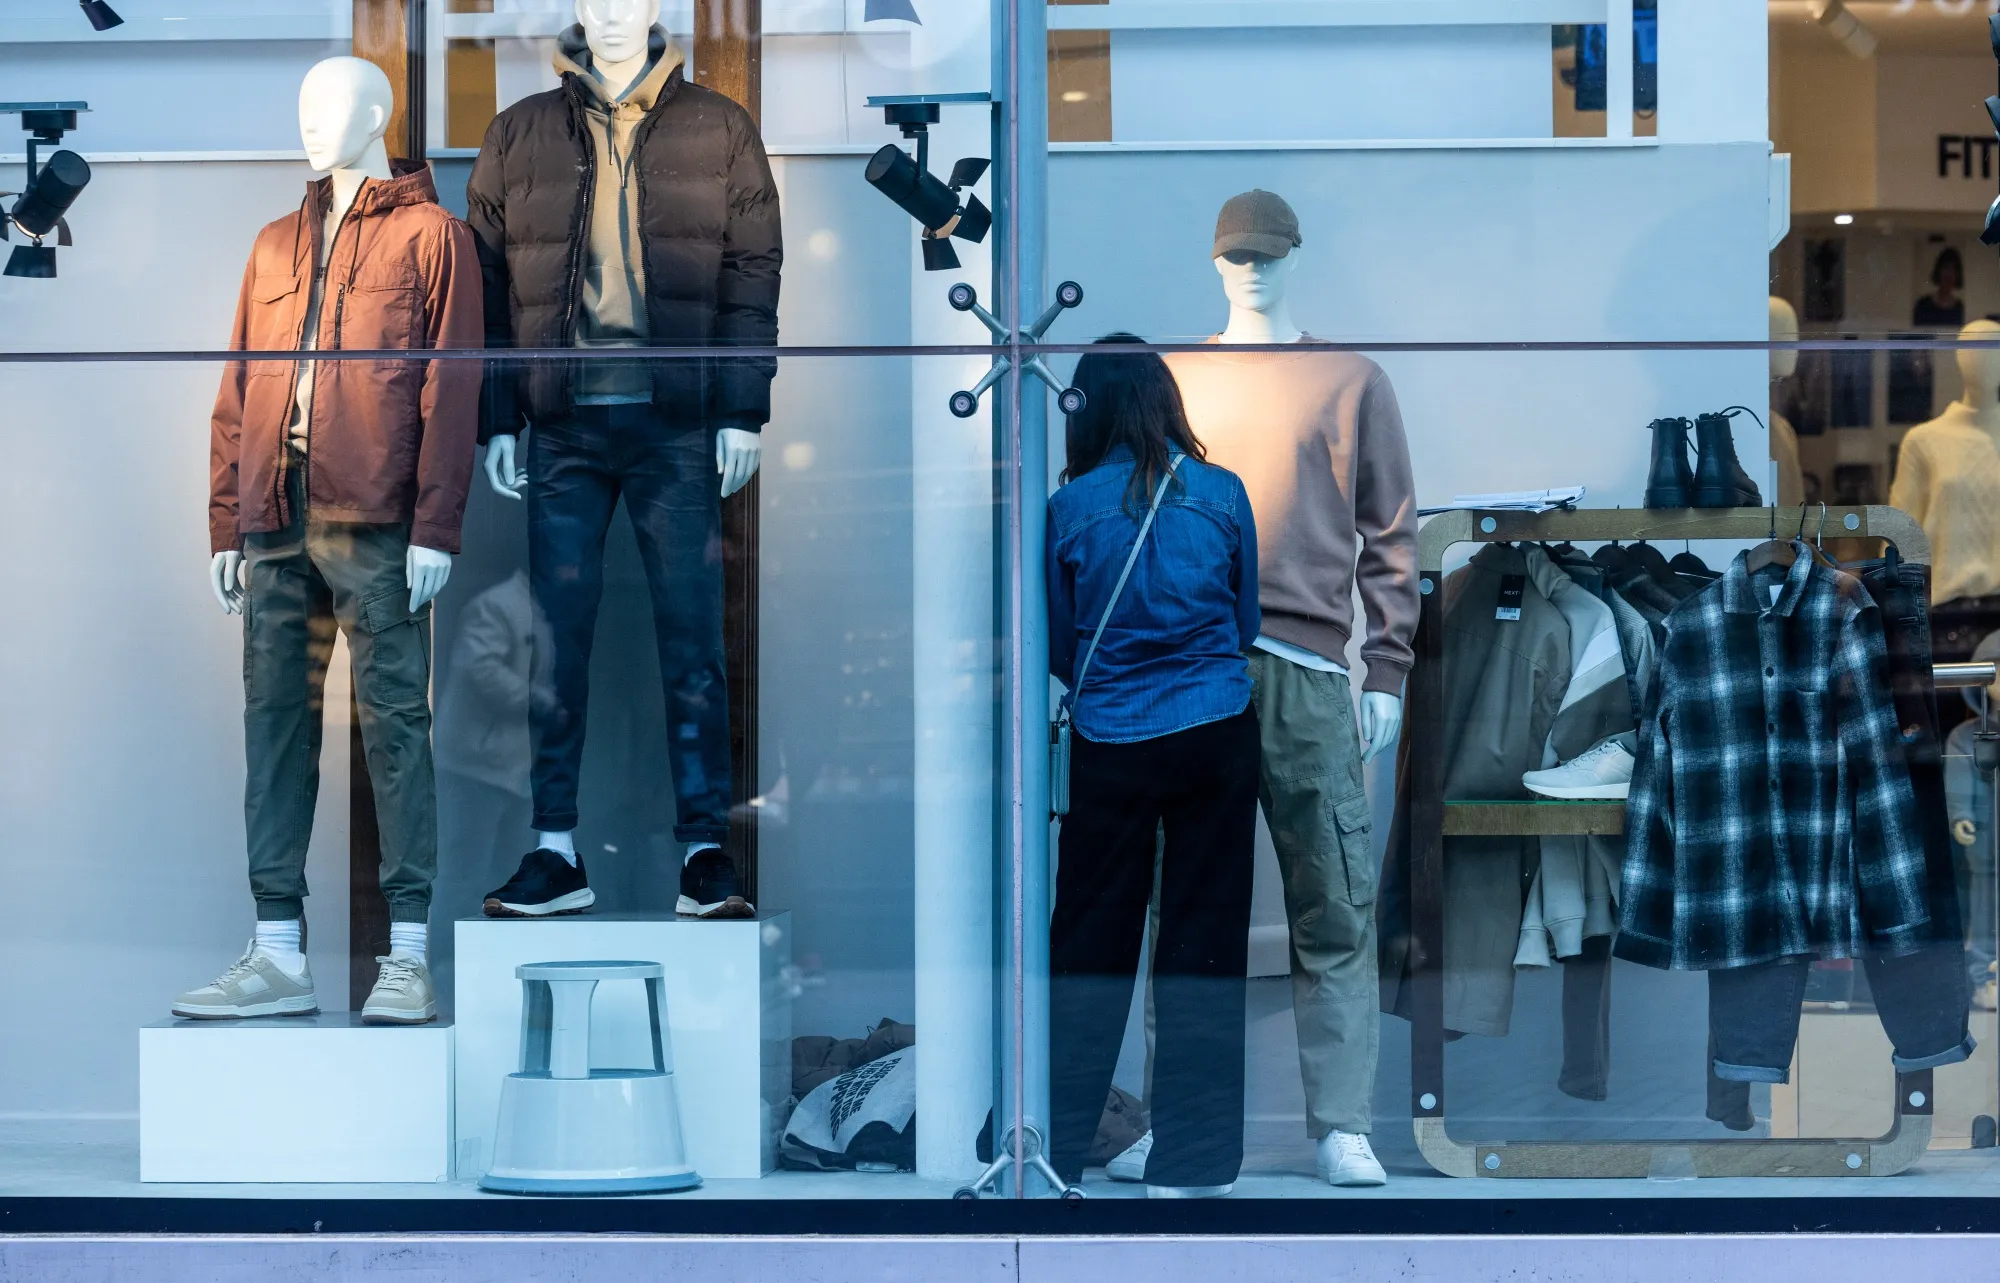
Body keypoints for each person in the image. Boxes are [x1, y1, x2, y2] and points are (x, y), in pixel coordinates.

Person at [1046, 336, 1262, 1199]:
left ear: (1087, 409)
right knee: (1204, 948)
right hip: (1215, 730)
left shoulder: (1069, 509)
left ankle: (1056, 1151)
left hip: (1111, 740)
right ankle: (1195, 1164)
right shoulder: (1223, 492)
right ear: (1168, 400)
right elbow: (1242, 622)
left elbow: (1060, 644)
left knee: (1089, 948)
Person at [1914, 248, 1966, 330]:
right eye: (1946, 267)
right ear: (1938, 271)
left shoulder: (1960, 308)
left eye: (1954, 269)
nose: (1950, 274)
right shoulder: (1923, 305)